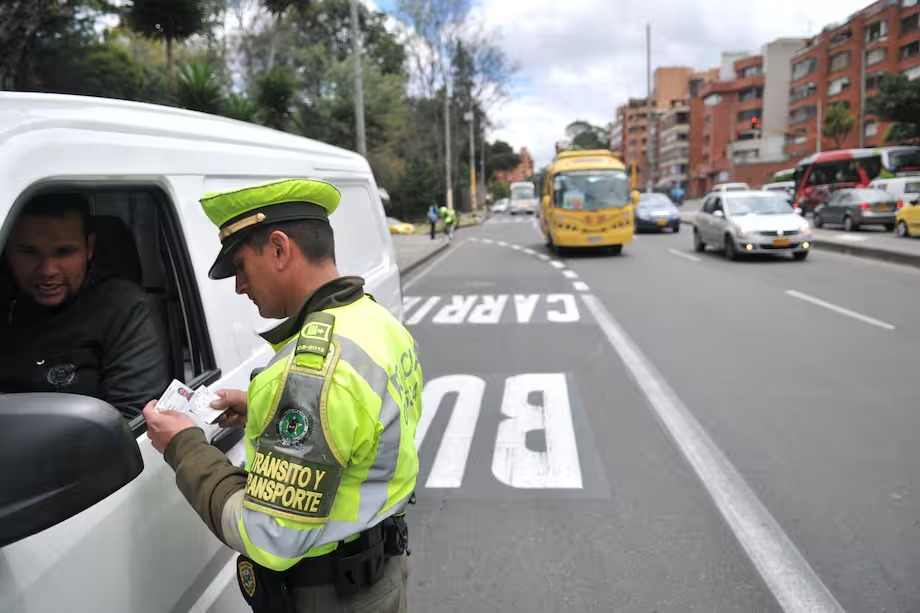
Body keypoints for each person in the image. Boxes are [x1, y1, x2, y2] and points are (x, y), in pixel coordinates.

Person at [142, 178, 423, 613]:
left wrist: (184, 446)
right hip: (380, 570)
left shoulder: (308, 374)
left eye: (239, 266)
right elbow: (360, 424)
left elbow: (268, 537)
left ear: (278, 249)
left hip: (328, 597)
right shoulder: (375, 322)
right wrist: (261, 403)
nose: (238, 286)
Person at [0, 192, 168, 418]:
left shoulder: (121, 307)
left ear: (89, 248)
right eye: (28, 252)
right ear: (7, 248)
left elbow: (132, 421)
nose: (47, 269)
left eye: (64, 252)